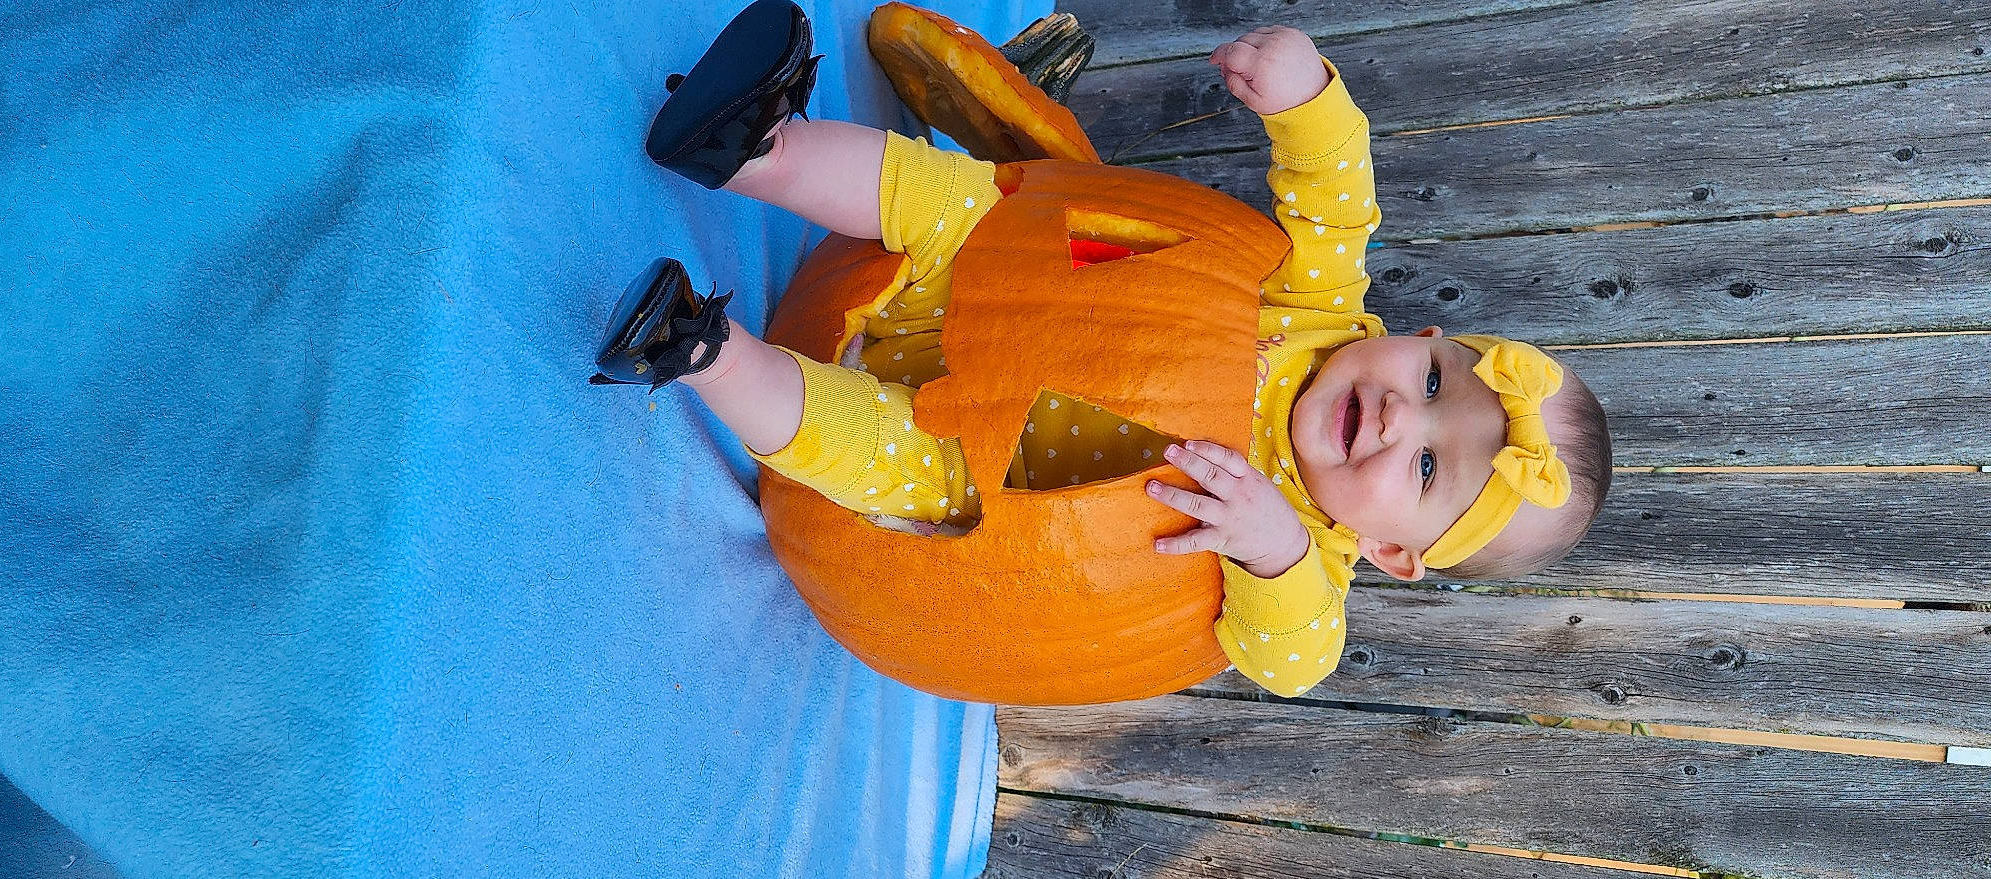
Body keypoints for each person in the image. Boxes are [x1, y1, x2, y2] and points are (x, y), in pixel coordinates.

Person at [599, 0, 1612, 697]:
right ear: (1420, 336)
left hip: (969, 467)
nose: (1400, 414)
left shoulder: (1305, 557)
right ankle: (751, 149)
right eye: (1431, 380)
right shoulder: (1319, 303)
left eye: (1427, 465)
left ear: (1393, 552)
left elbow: (1298, 658)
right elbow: (1336, 200)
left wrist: (1276, 546)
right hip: (991, 277)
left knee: (887, 467)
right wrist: (1310, 99)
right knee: (947, 196)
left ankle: (704, 348)